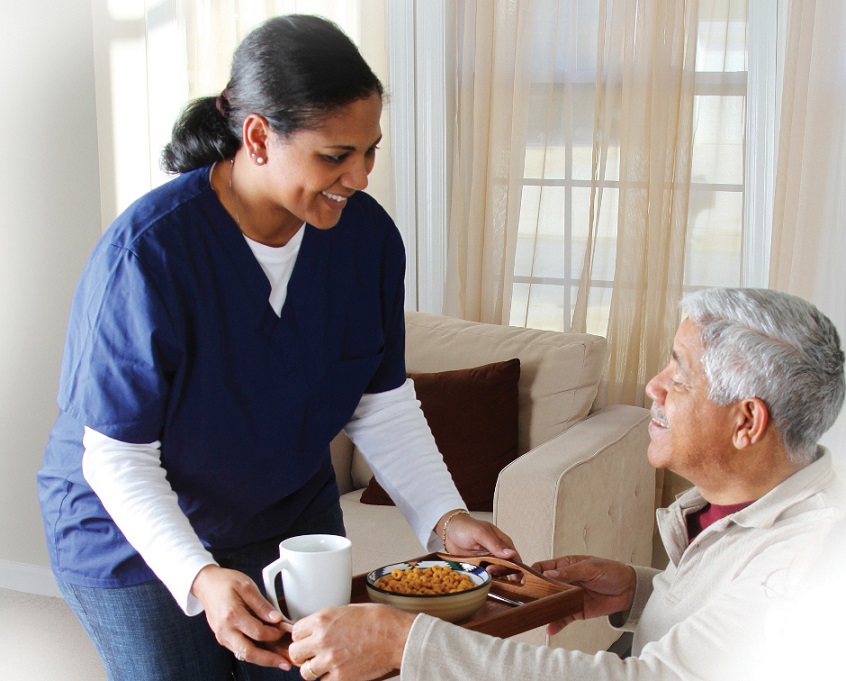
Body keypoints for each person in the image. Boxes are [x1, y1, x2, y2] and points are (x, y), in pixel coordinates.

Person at [36, 15, 515, 681]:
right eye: (335, 155)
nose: (360, 176)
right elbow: (117, 456)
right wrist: (201, 576)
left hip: (282, 511)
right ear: (258, 136)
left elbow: (380, 403)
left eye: (370, 151)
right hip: (127, 531)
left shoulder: (366, 240)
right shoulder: (150, 255)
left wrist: (443, 515)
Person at [286, 287, 846, 681]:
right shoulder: (748, 507)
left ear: (746, 422)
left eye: (680, 375)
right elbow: (728, 638)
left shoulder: (800, 565)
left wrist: (405, 643)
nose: (654, 385)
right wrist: (638, 588)